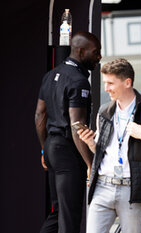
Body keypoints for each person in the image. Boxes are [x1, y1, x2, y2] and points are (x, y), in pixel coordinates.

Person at [77, 58, 141, 233]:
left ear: (127, 82)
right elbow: (102, 150)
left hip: (132, 189)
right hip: (102, 186)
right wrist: (91, 143)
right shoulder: (104, 111)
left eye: (111, 83)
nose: (106, 88)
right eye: (105, 82)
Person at [34, 31, 102, 233]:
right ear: (81, 52)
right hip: (69, 152)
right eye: (96, 52)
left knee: (59, 214)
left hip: (53, 148)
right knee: (69, 217)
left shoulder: (50, 75)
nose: (99, 57)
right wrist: (90, 162)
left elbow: (39, 116)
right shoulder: (79, 81)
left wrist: (44, 150)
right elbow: (76, 125)